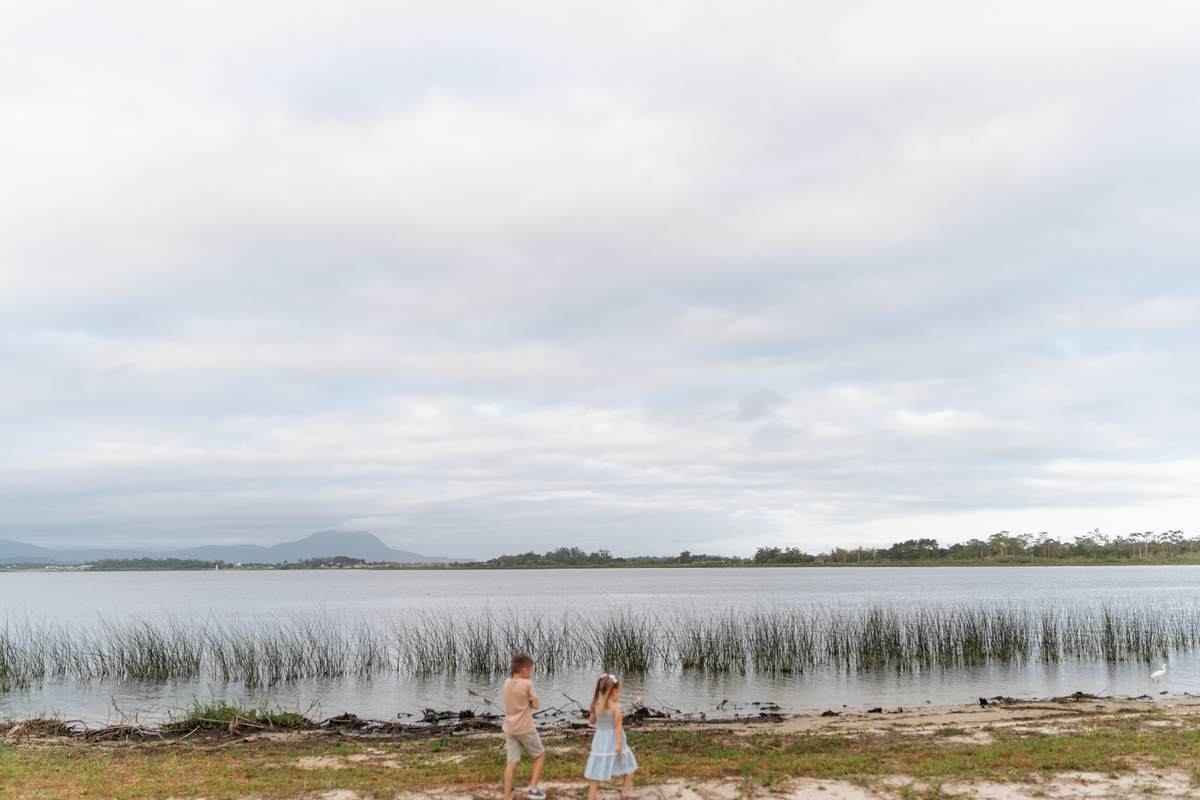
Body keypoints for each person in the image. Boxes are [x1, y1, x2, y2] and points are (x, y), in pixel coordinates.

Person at [584, 673, 639, 800]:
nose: (619, 694)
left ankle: (592, 797)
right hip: (614, 739)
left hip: (600, 739)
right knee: (630, 763)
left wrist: (593, 712)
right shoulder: (616, 708)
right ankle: (625, 791)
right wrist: (619, 744)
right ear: (614, 692)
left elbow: (591, 722)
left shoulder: (597, 706)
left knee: (596, 766)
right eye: (619, 691)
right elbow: (618, 727)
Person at [502, 652, 546, 800]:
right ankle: (533, 789)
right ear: (525, 670)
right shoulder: (527, 684)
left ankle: (507, 797)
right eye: (530, 670)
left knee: (511, 763)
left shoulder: (506, 683)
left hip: (510, 728)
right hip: (525, 728)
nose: (530, 673)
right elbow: (536, 705)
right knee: (540, 755)